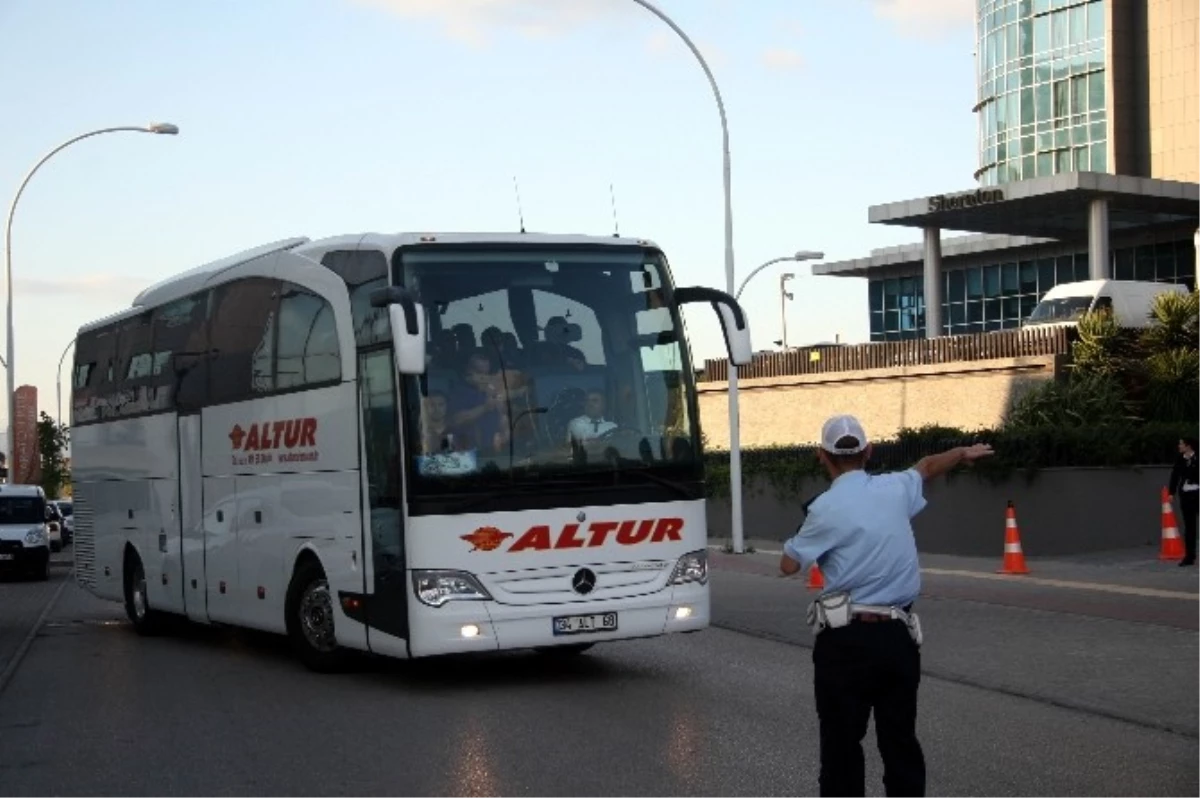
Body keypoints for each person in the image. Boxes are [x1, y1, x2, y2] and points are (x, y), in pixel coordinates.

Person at [779, 414, 993, 798]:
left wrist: (804, 533)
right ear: (869, 451)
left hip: (843, 643)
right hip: (897, 638)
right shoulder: (896, 488)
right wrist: (962, 452)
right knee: (900, 743)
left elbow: (789, 565)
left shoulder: (823, 509)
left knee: (841, 749)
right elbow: (927, 466)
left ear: (821, 456)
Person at [1169, 436, 1199, 567]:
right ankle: (1189, 556)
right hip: (1186, 495)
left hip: (1199, 493)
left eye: (1181, 444)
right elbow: (1175, 475)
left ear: (1188, 446)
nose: (1179, 446)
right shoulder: (1180, 459)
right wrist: (1172, 492)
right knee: (1189, 526)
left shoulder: (1198, 458)